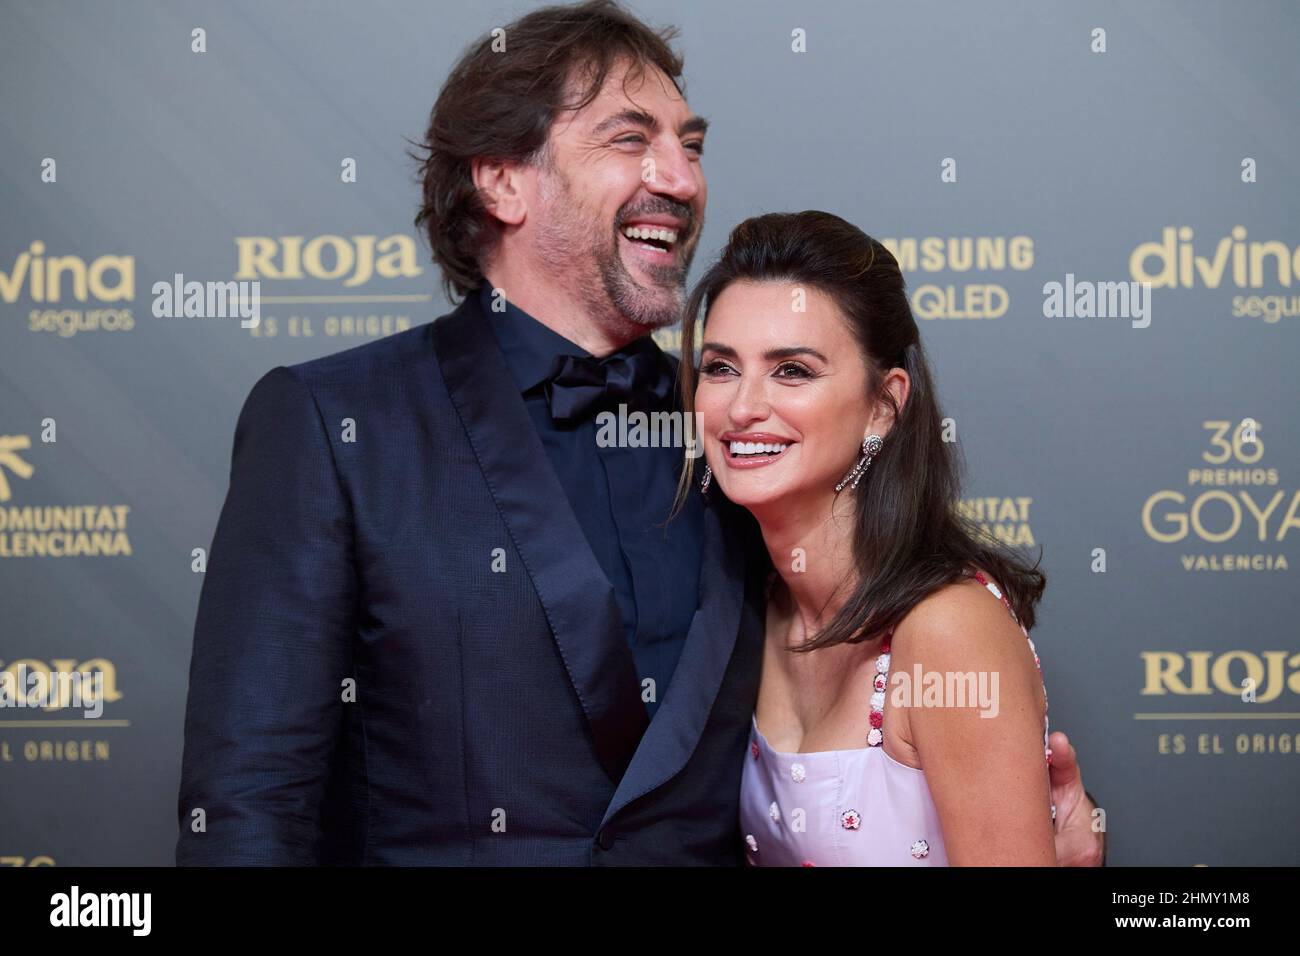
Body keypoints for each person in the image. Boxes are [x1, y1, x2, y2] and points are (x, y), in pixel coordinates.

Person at [175, 0, 1103, 866]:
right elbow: (251, 802)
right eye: (633, 140)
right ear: (502, 179)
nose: (683, 179)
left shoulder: (741, 441)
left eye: (690, 146)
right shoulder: (338, 425)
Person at [678, 210, 1067, 864]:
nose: (742, 407)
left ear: (883, 406)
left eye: (792, 370)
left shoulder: (947, 634)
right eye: (720, 368)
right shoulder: (757, 603)